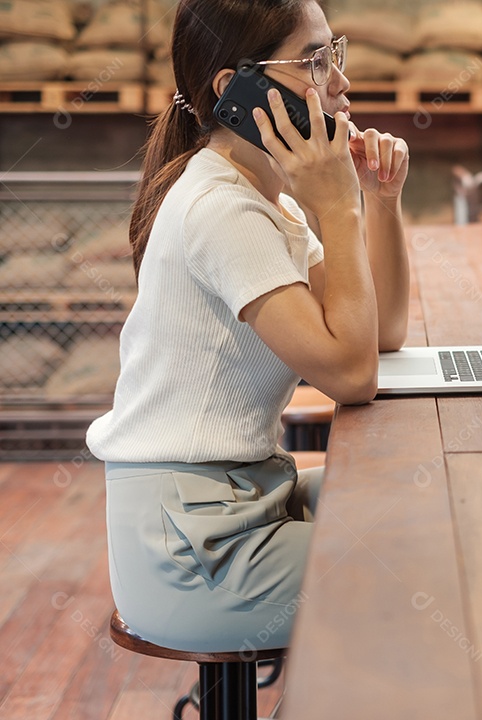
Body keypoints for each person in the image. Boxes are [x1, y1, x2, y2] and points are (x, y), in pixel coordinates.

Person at [86, 0, 409, 653]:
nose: (340, 82)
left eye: (334, 53)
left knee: (417, 505)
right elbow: (352, 375)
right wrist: (341, 206)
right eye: (315, 62)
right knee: (419, 570)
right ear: (237, 89)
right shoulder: (219, 207)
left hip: (244, 500)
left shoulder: (268, 198)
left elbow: (379, 334)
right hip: (194, 552)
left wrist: (380, 201)